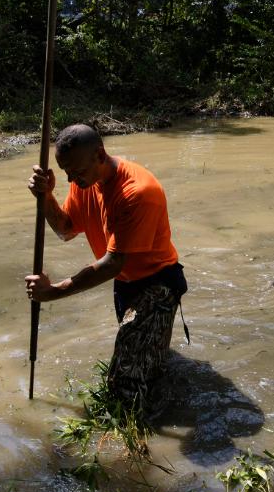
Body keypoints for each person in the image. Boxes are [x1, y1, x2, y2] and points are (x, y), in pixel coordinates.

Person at [25, 123, 188, 415]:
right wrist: (47, 195)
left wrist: (52, 292)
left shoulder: (137, 192)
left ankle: (136, 430)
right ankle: (164, 390)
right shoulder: (83, 183)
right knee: (144, 360)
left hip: (157, 283)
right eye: (66, 173)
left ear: (99, 155)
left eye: (76, 172)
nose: (72, 179)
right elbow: (65, 229)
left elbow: (112, 263)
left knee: (124, 380)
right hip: (125, 283)